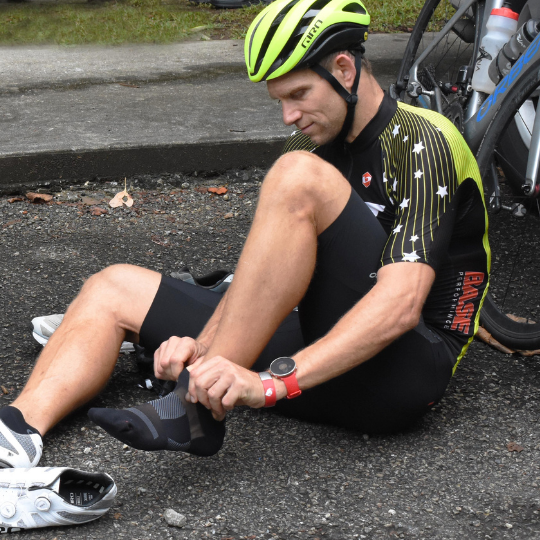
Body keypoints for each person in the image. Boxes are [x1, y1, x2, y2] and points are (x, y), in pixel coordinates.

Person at [0, 0, 490, 469]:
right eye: (279, 100)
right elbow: (269, 282)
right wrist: (206, 349)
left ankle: (191, 411)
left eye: (299, 94)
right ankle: (16, 435)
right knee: (113, 287)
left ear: (344, 70)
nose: (289, 116)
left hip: (399, 374)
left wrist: (267, 385)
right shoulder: (309, 143)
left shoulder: (424, 141)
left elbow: (402, 307)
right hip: (317, 352)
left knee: (295, 173)